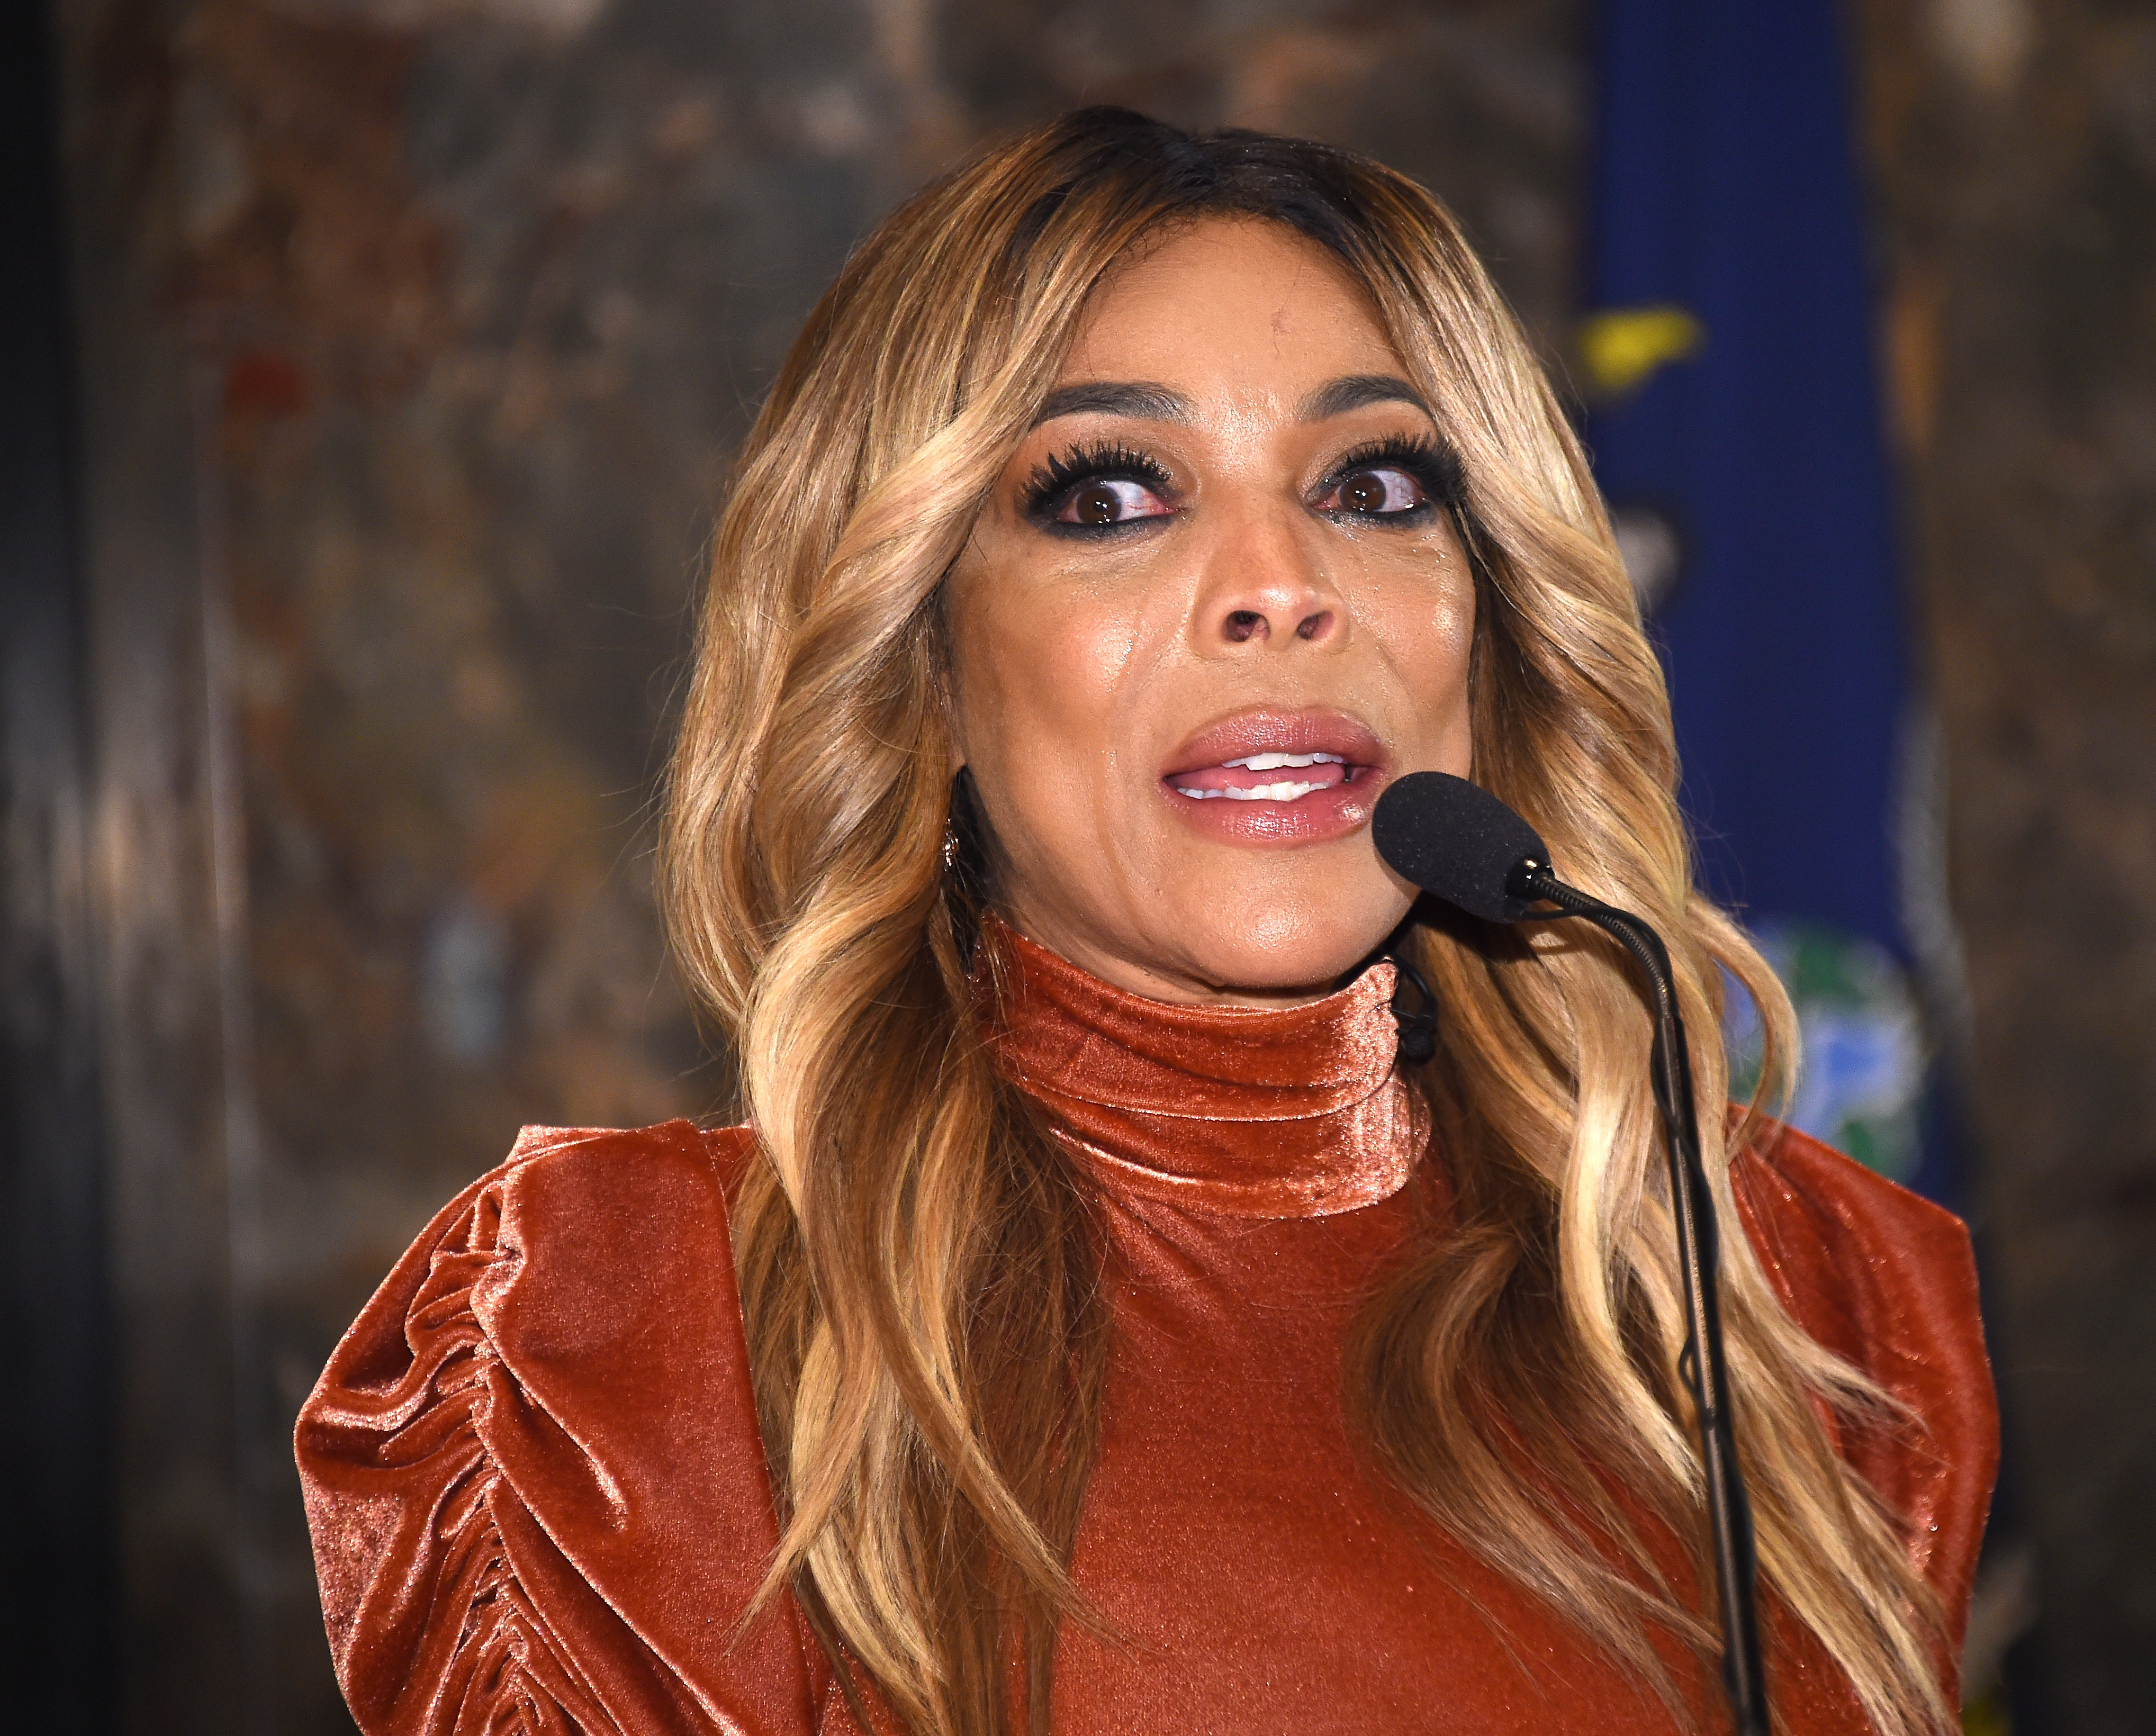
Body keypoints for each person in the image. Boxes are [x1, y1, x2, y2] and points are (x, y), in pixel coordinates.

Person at [295, 108, 1995, 1736]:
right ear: (924, 663)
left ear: (1491, 617)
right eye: (1109, 496)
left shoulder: (1791, 1300)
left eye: (1376, 486)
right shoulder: (635, 1364)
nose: (1282, 583)